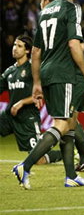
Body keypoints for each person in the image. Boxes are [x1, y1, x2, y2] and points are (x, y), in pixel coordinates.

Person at [12, 0, 84, 189]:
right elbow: (73, 44)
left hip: (47, 72)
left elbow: (36, 52)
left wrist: (37, 82)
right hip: (63, 73)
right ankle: (25, 165)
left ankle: (70, 175)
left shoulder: (45, 11)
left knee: (69, 124)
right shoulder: (72, 8)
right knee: (61, 124)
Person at [38, 0, 84, 172]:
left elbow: (80, 44)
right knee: (67, 119)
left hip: (72, 75)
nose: (39, 4)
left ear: (48, 2)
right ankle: (83, 157)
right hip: (65, 74)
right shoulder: (58, 20)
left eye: (41, 0)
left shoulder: (68, 13)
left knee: (66, 120)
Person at [1, 35, 62, 165]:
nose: (15, 49)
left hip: (28, 119)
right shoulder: (9, 71)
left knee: (38, 159)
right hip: (10, 116)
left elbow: (43, 92)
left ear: (27, 51)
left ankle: (64, 153)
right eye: (14, 45)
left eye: (19, 46)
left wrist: (22, 102)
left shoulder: (32, 70)